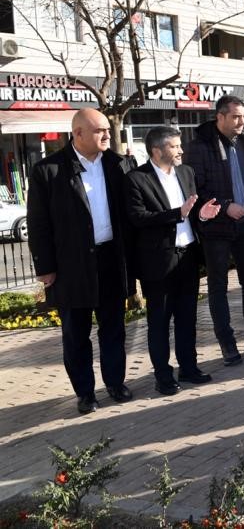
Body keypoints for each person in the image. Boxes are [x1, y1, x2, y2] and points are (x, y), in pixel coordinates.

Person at [27, 108, 136, 414]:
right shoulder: (49, 170)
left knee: (113, 328)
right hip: (70, 266)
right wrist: (45, 267)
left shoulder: (119, 165)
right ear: (77, 133)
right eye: (100, 130)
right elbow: (38, 224)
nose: (107, 135)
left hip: (110, 260)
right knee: (76, 334)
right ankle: (85, 393)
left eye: (107, 130)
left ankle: (115, 383)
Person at [125, 126, 219, 396]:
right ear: (157, 150)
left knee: (188, 318)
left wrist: (201, 215)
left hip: (187, 256)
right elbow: (138, 218)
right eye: (175, 146)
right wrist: (176, 213)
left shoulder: (185, 172)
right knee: (159, 322)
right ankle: (163, 376)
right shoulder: (136, 179)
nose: (180, 150)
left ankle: (189, 368)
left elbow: (190, 212)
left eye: (180, 146)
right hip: (159, 263)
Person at [184, 95, 244, 365]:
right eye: (235, 117)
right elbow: (195, 189)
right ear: (220, 117)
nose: (241, 122)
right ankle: (226, 343)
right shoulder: (199, 146)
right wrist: (225, 206)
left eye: (243, 116)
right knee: (218, 287)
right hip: (217, 229)